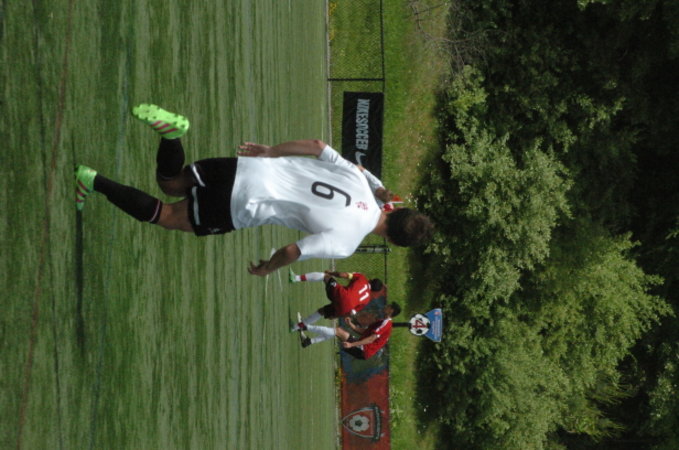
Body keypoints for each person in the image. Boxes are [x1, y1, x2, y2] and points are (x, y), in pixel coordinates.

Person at [75, 104, 433, 275]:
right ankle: (92, 181)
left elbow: (317, 146)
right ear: (392, 240)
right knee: (167, 215)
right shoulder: (347, 243)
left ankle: (171, 135)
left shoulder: (360, 180)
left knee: (171, 182)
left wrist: (272, 151)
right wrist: (268, 267)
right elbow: (292, 250)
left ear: (396, 209)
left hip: (248, 168)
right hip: (244, 203)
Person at [296, 302, 401, 360]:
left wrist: (352, 344)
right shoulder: (383, 321)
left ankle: (305, 327)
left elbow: (371, 339)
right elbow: (364, 332)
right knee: (337, 332)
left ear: (391, 311)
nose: (386, 306)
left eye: (389, 306)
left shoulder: (386, 323)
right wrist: (351, 325)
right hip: (363, 349)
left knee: (338, 331)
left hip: (363, 350)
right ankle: (308, 341)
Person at [289, 269, 385, 328]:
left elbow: (343, 275)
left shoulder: (362, 277)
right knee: (322, 311)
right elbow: (352, 312)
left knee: (325, 276)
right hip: (344, 309)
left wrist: (331, 273)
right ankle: (296, 326)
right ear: (374, 290)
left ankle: (295, 278)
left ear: (371, 280)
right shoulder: (367, 300)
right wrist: (336, 316)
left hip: (341, 295)